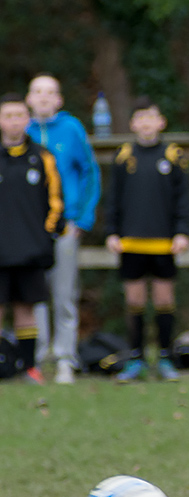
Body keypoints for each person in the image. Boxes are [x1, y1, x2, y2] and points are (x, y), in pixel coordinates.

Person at [105, 96, 189, 383]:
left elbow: (184, 197)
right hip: (131, 241)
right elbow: (113, 198)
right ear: (132, 124)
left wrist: (182, 231)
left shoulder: (173, 155)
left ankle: (165, 358)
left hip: (164, 241)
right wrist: (112, 232)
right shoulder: (123, 156)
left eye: (151, 117)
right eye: (140, 118)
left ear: (161, 122)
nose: (146, 123)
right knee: (135, 300)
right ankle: (136, 359)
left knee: (165, 298)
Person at [26, 73, 101, 384]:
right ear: (29, 98)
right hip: (30, 227)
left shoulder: (71, 129)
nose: (43, 97)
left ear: (59, 99)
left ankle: (65, 358)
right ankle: (36, 358)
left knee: (64, 293)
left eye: (50, 92)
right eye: (37, 91)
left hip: (65, 226)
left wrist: (82, 219)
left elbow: (89, 172)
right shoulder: (21, 131)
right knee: (33, 294)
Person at [0, 93, 64, 384]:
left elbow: (56, 202)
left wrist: (46, 235)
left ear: (27, 119)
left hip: (30, 249)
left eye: (19, 115)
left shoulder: (42, 157)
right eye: (8, 116)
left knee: (26, 309)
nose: (14, 121)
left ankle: (29, 367)